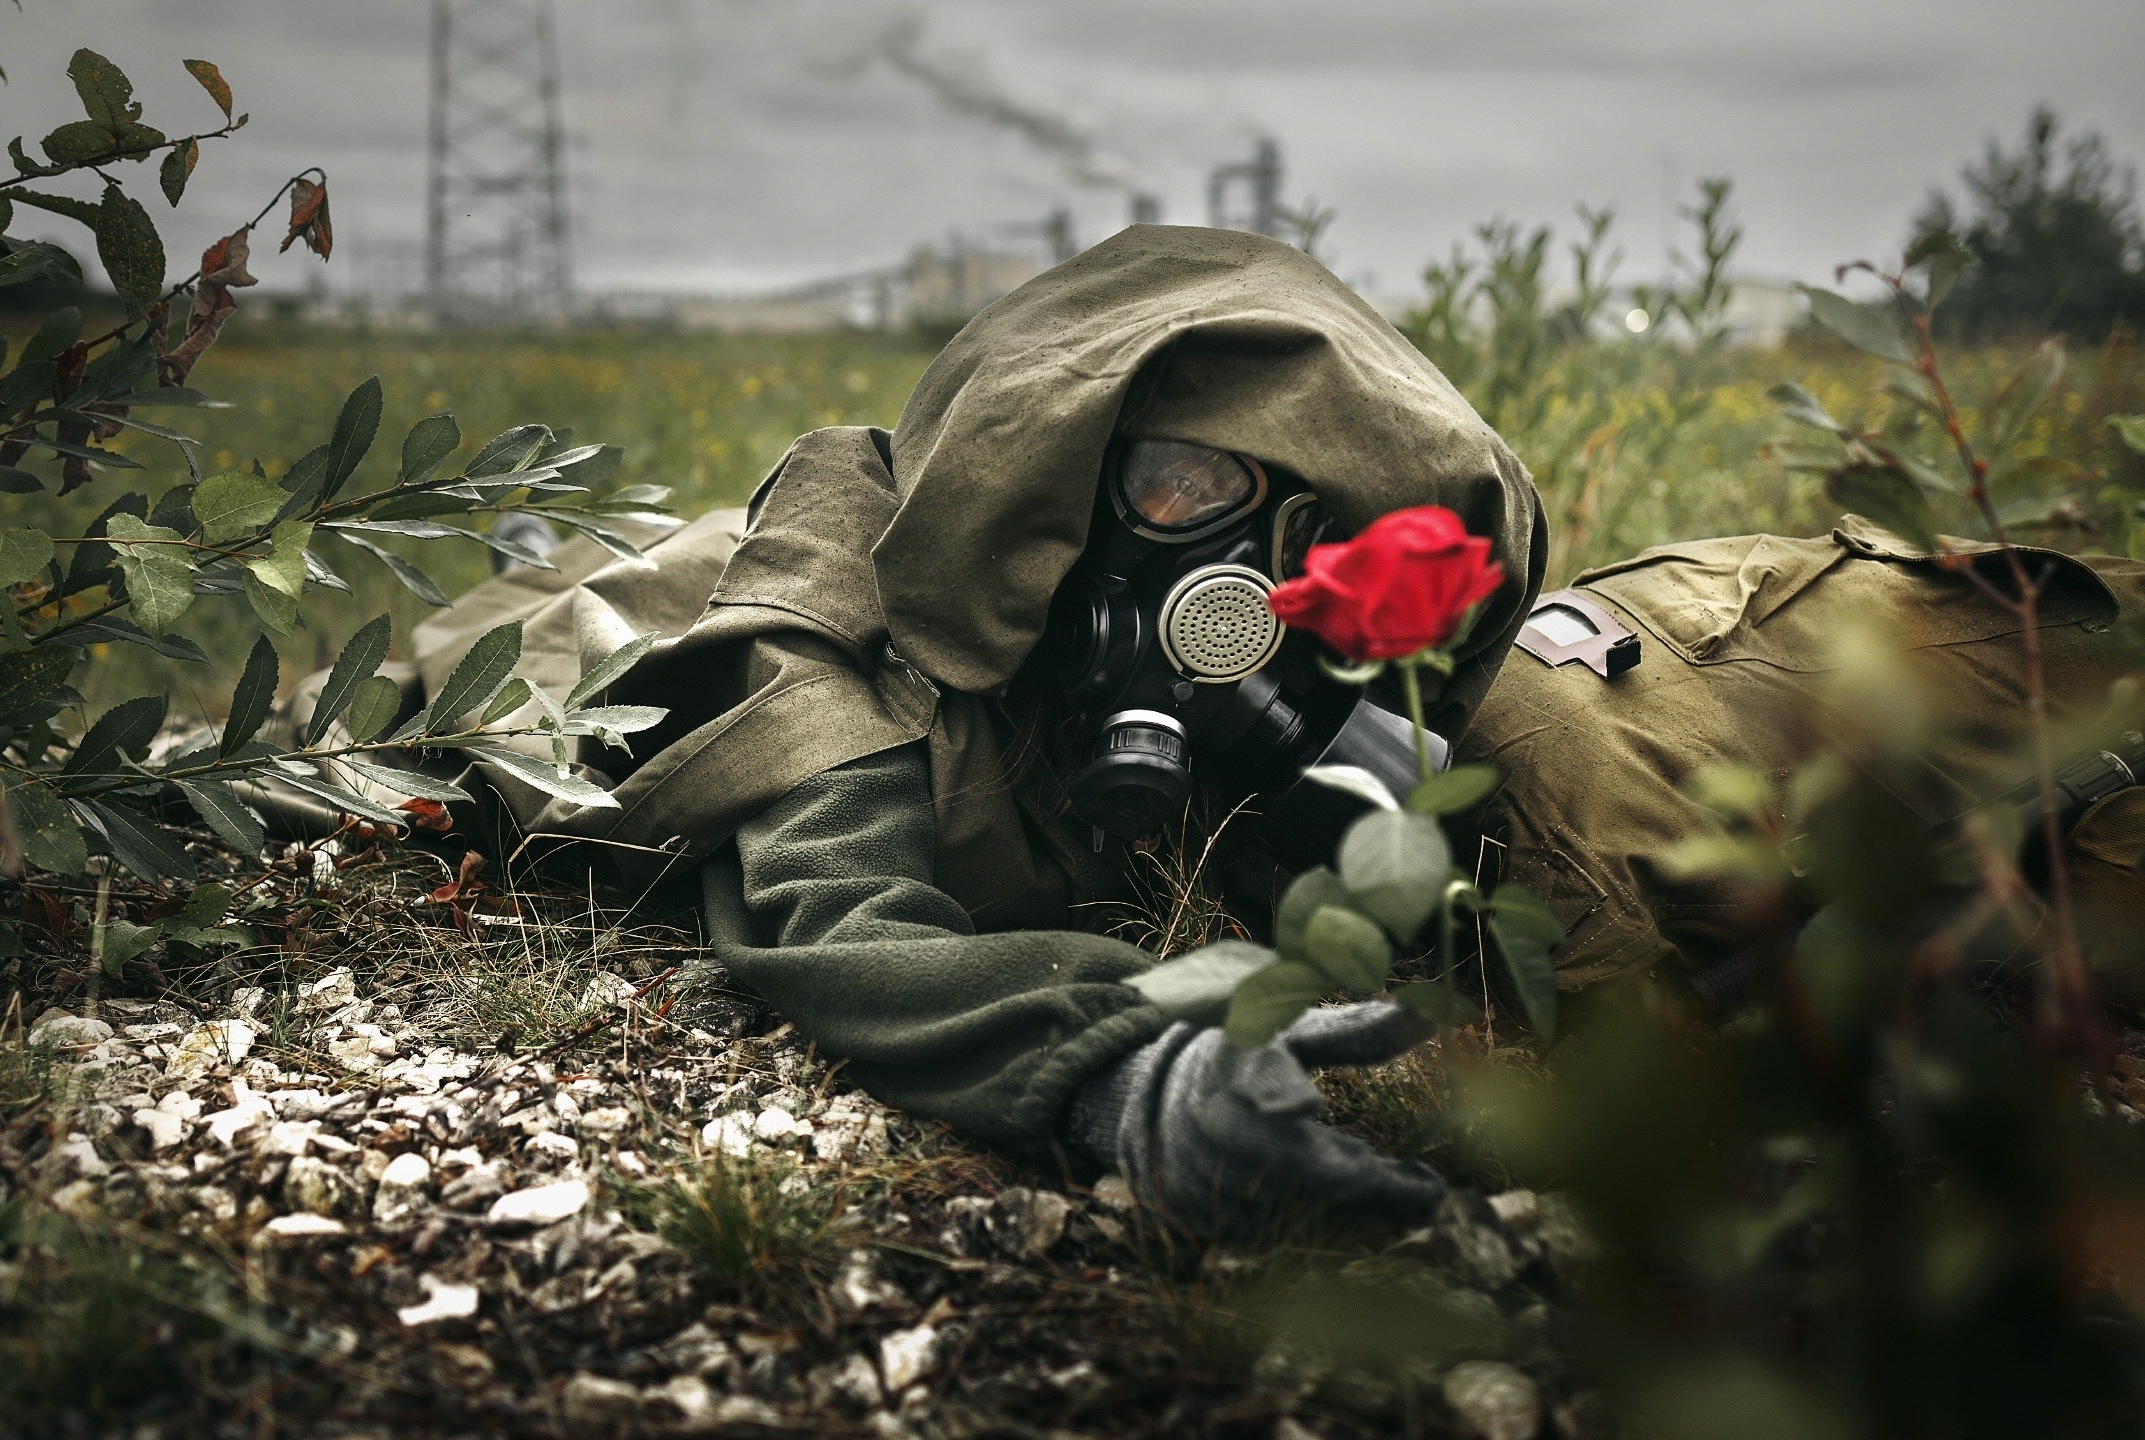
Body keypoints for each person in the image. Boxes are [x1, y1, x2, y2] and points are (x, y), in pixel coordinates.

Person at [286, 226, 2145, 1241]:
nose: (1238, 585)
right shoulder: (836, 633)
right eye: (1176, 488)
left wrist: (1386, 764)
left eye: (1309, 532)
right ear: (1056, 475)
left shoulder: (1386, 660)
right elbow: (839, 915)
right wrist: (1113, 1069)